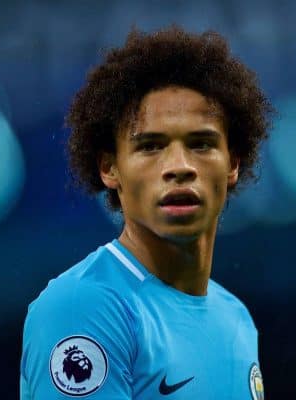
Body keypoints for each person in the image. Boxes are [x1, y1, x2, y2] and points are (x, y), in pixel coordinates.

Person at [20, 26, 273, 399]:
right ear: (110, 168)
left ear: (233, 163)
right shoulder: (85, 307)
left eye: (201, 144)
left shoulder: (235, 319)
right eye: (151, 146)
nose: (179, 166)